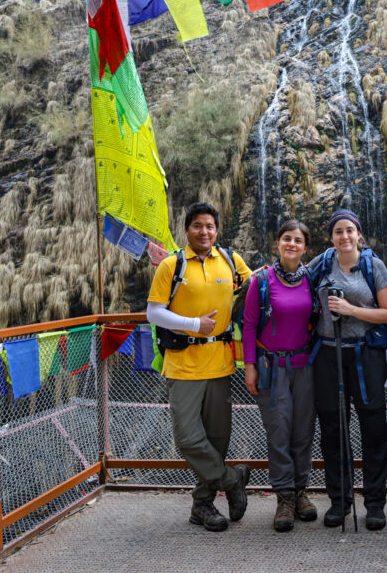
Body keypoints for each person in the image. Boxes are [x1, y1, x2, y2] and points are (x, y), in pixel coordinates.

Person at [146, 202, 253, 532]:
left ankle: (202, 506)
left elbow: (256, 291)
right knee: (188, 439)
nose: (204, 231)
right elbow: (154, 312)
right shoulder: (171, 265)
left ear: (216, 230)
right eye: (197, 226)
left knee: (218, 439)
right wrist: (193, 323)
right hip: (183, 366)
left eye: (209, 226)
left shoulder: (231, 261)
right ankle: (232, 480)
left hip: (220, 364)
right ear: (187, 230)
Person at [309, 209, 387, 530]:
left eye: (349, 231)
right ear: (331, 237)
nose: (344, 237)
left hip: (365, 356)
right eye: (338, 232)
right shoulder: (322, 262)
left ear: (358, 234)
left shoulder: (375, 266)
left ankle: (374, 502)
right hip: (328, 355)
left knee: (374, 426)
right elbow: (293, 277)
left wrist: (350, 309)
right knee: (333, 427)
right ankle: (339, 500)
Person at [242, 220, 319, 532]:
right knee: (279, 431)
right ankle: (284, 496)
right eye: (287, 239)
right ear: (278, 243)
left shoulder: (312, 279)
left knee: (303, 431)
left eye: (298, 240)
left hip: (305, 365)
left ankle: (301, 492)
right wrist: (250, 366)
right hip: (271, 367)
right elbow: (248, 324)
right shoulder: (261, 281)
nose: (292, 244)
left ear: (305, 247)